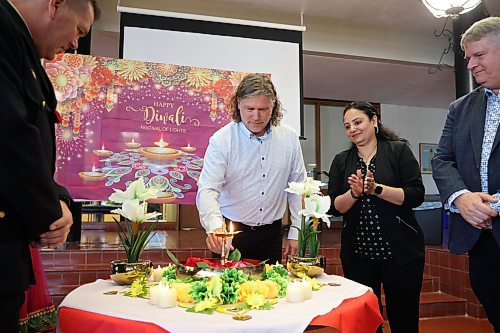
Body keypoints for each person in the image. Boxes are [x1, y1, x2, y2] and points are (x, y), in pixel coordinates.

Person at [0, 0, 100, 331]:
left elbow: (34, 147)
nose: (75, 43)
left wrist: (59, 199)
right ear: (55, 5)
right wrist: (51, 213)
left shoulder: (21, 49)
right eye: (79, 31)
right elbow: (10, 135)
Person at [328, 101, 425, 333]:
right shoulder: (342, 160)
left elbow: (415, 195)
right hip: (359, 255)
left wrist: (376, 189)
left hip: (401, 254)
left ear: (374, 121)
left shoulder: (397, 150)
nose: (353, 129)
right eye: (347, 126)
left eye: (358, 122)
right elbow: (334, 207)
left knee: (404, 318)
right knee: (365, 321)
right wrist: (354, 193)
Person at [432, 17, 500, 332]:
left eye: (479, 55)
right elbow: (443, 159)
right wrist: (462, 198)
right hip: (481, 237)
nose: (471, 64)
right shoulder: (460, 108)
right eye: (468, 58)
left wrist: (493, 205)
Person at [196, 73, 306, 263]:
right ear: (238, 104)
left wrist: (296, 231)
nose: (256, 116)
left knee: (272, 290)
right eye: (250, 108)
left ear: (273, 107)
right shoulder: (222, 140)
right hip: (231, 234)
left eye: (263, 109)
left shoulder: (289, 138)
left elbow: (298, 187)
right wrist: (215, 227)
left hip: (272, 234)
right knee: (228, 291)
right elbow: (208, 188)